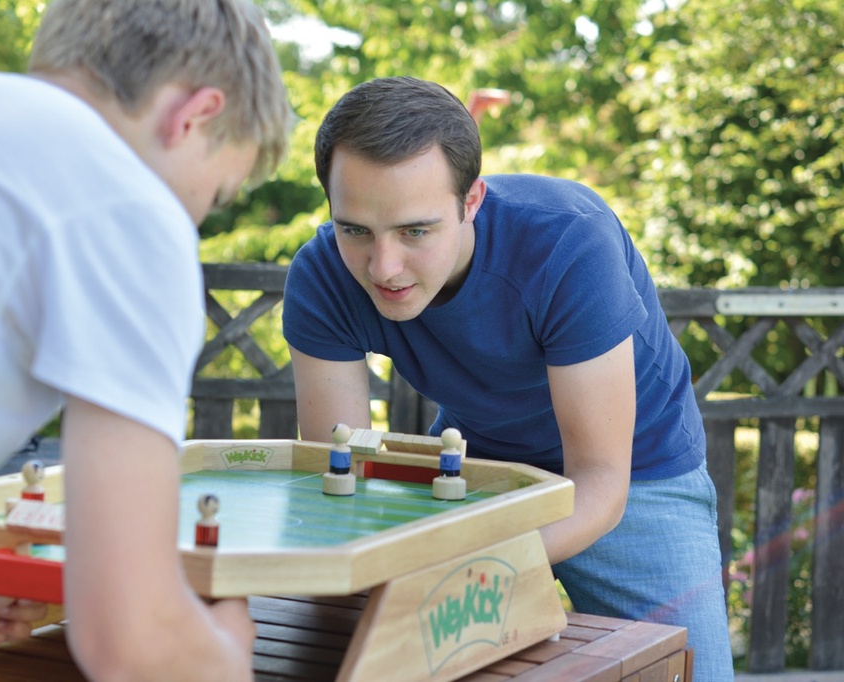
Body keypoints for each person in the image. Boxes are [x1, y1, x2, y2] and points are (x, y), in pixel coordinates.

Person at [0, 0, 292, 679]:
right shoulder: (128, 208)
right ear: (195, 115)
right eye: (213, 194)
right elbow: (133, 642)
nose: (190, 220)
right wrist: (227, 651)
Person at [282, 76, 734, 679]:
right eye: (355, 229)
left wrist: (457, 559)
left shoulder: (569, 242)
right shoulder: (321, 277)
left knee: (691, 673)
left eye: (416, 230)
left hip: (635, 468)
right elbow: (340, 473)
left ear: (472, 201)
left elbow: (600, 482)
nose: (382, 266)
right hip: (481, 458)